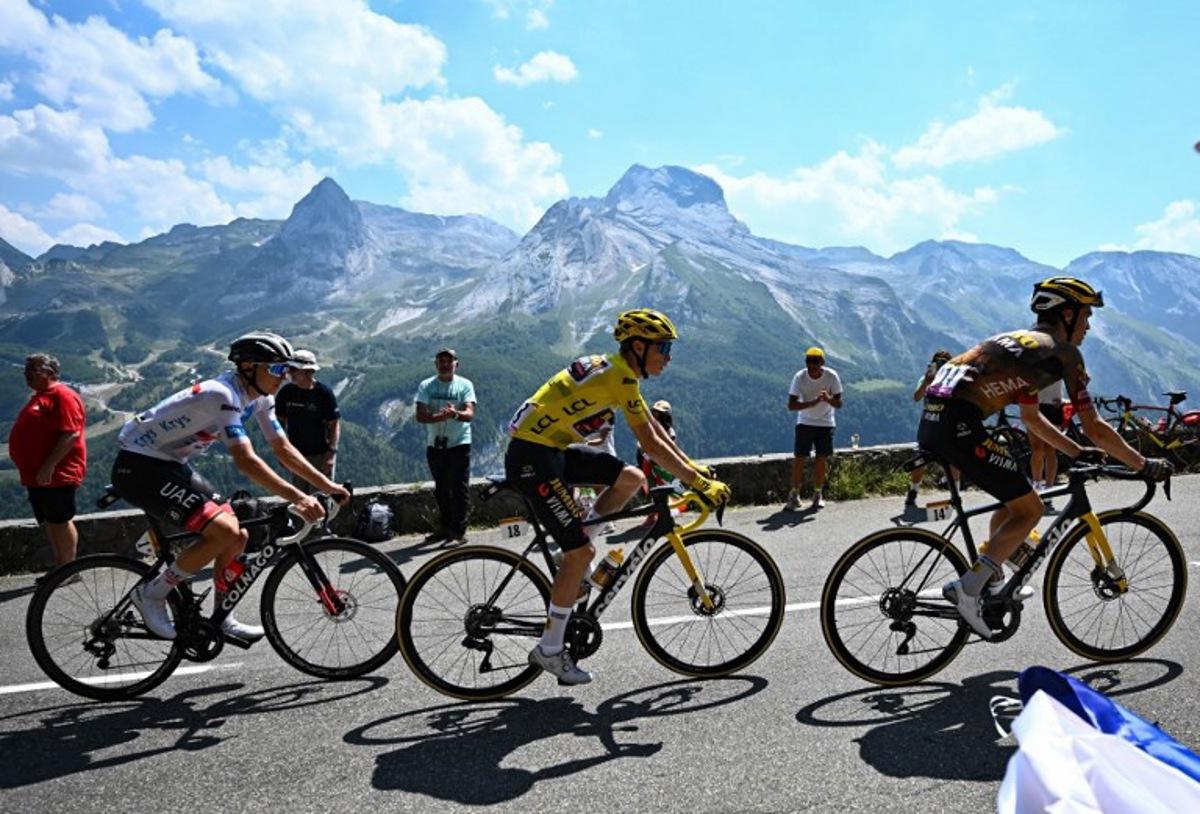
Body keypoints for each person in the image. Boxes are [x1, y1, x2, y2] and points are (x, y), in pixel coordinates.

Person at [920, 278, 1171, 639]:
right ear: (1066, 315)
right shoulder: (1063, 354)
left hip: (936, 420)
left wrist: (1074, 451)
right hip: (959, 424)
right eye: (1086, 316)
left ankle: (991, 579)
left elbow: (1031, 418)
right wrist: (1143, 464)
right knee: (1032, 510)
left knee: (1014, 502)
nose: (1088, 326)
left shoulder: (1024, 347)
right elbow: (1095, 425)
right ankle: (968, 588)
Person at [506, 308, 730, 684]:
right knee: (583, 554)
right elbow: (652, 443)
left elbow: (655, 438)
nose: (668, 357)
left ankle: (572, 555)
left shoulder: (618, 371)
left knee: (630, 476)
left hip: (552, 449)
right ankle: (549, 648)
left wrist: (695, 471)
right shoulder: (620, 377)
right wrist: (696, 482)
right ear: (639, 346)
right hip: (533, 456)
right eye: (663, 348)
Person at [114, 331, 349, 641]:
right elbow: (246, 460)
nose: (285, 377)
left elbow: (283, 449)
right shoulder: (221, 395)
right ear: (249, 367)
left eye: (287, 369)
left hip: (171, 464)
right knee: (222, 530)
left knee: (238, 536)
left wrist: (327, 485)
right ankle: (152, 594)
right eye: (278, 369)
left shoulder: (262, 398)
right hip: (139, 465)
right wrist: (299, 496)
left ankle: (222, 617)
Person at [8, 354, 87, 579]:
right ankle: (60, 569)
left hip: (57, 473)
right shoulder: (43, 396)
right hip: (38, 475)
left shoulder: (63, 395)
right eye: (26, 369)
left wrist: (48, 466)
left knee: (60, 521)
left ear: (50, 373)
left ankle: (68, 571)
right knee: (50, 522)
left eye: (33, 369)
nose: (26, 374)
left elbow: (70, 434)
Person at [415, 348, 476, 547]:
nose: (445, 364)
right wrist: (440, 417)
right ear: (436, 364)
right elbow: (420, 416)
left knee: (459, 488)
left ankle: (458, 531)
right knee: (441, 488)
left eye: (448, 361)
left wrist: (454, 414)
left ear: (456, 364)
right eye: (441, 361)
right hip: (435, 445)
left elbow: (469, 414)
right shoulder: (426, 385)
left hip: (460, 443)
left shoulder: (465, 385)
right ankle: (445, 528)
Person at [274, 349, 340, 494]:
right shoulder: (286, 393)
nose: (289, 373)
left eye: (294, 369)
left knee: (320, 499)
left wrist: (331, 454)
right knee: (301, 499)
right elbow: (279, 424)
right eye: (289, 368)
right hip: (297, 457)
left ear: (308, 372)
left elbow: (334, 424)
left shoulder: (324, 393)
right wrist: (282, 453)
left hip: (320, 456)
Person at [786, 346, 843, 510]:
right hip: (805, 422)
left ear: (822, 362)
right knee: (799, 459)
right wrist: (812, 403)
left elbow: (839, 403)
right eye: (808, 361)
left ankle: (817, 494)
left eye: (815, 361)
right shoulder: (800, 377)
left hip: (825, 423)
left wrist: (828, 399)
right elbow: (791, 405)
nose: (811, 365)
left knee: (821, 459)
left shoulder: (832, 376)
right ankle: (794, 494)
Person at [905, 350, 956, 508]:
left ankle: (956, 493)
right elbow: (916, 397)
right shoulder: (926, 379)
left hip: (945, 427)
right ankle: (913, 492)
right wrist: (927, 382)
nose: (940, 366)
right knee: (920, 461)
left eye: (943, 363)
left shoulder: (953, 380)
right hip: (929, 427)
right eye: (938, 362)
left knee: (955, 461)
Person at [636, 400, 681, 528]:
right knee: (651, 490)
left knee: (658, 490)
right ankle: (656, 516)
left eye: (659, 413)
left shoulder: (669, 432)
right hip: (648, 462)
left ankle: (656, 517)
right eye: (655, 412)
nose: (656, 415)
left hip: (659, 464)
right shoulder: (651, 427)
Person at [1029, 381, 1064, 511]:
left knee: (1050, 449)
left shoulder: (1062, 360)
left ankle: (1049, 490)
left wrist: (1064, 397)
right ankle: (1037, 488)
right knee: (1037, 449)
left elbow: (1083, 378)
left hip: (1053, 406)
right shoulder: (1032, 359)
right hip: (1033, 404)